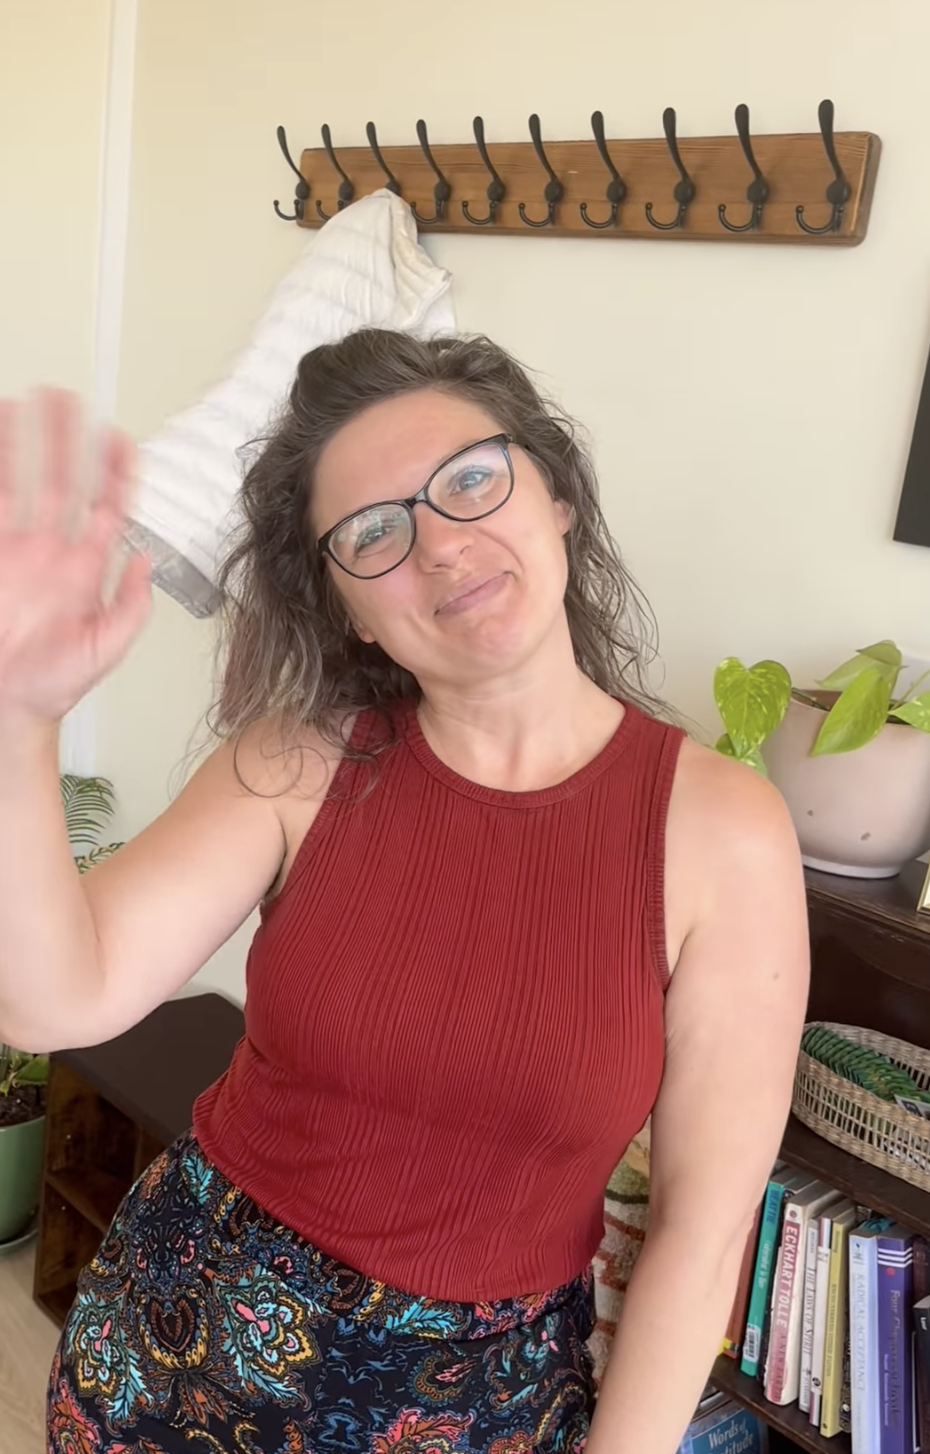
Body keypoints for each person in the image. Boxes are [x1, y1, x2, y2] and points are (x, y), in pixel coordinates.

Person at [0, 329, 809, 1454]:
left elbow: (703, 1227)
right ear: (345, 605)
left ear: (557, 492)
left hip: (474, 1403)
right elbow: (54, 998)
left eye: (471, 480)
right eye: (373, 532)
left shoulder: (726, 832)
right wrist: (14, 714)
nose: (439, 547)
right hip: (177, 1344)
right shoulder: (293, 759)